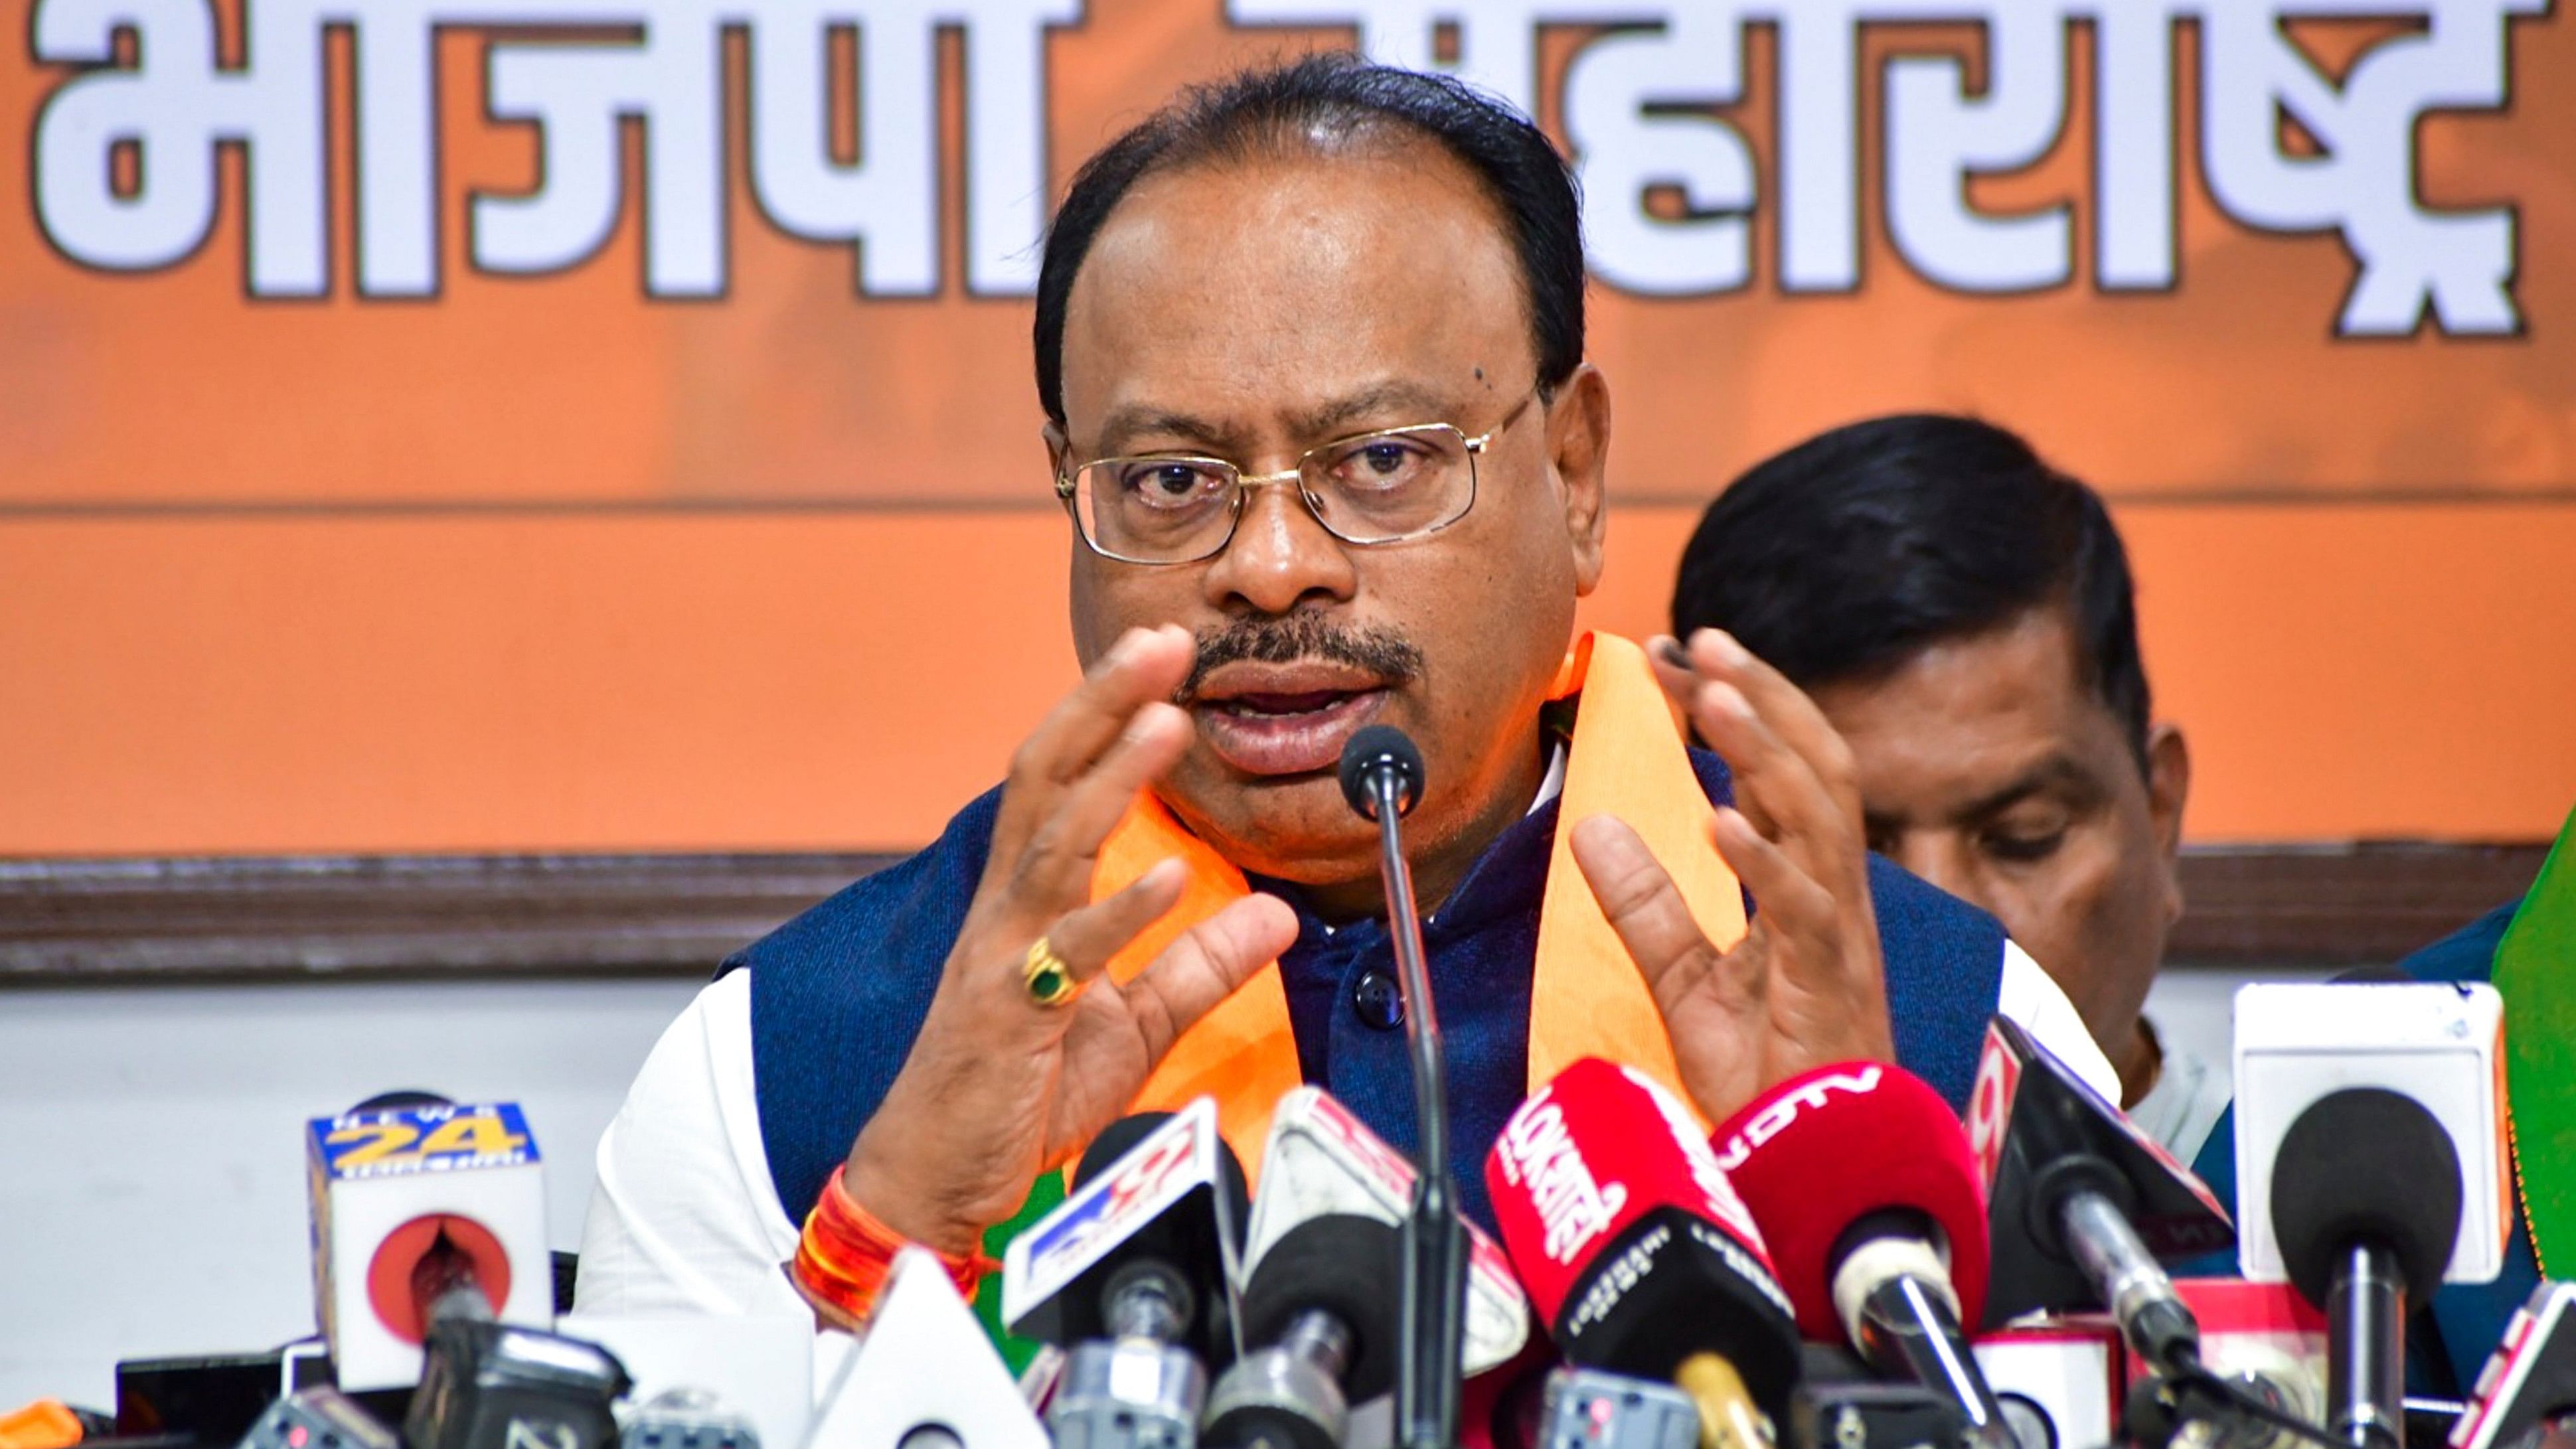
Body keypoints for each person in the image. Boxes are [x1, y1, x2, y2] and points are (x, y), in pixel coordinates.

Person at [572, 57, 2116, 1339]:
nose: (1268, 563)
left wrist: (1830, 1241)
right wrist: (892, 1234)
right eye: (1171, 478)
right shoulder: (796, 1059)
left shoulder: (1945, 1024)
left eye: (1380, 461)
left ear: (1573, 474)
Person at [1669, 415, 2226, 1160]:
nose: (1948, 918)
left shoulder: (2302, 1227)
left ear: (2160, 815)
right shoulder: (1631, 1237)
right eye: (1856, 852)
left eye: (2023, 837)